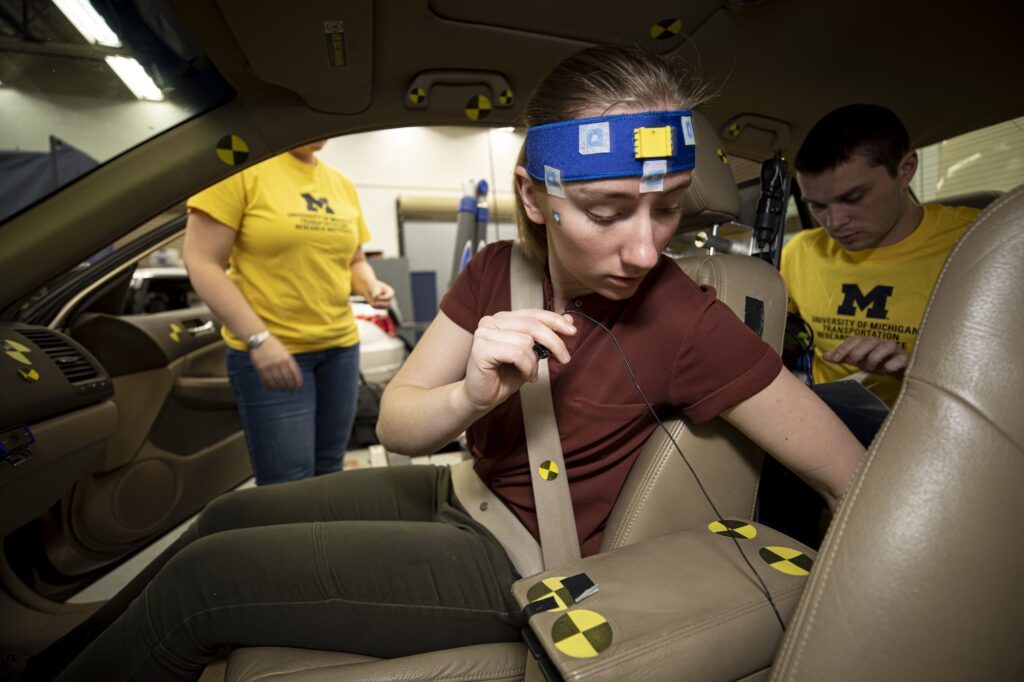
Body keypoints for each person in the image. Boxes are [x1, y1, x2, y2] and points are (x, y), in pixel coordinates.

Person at [26, 45, 863, 682]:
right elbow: (400, 421)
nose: (644, 248)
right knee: (220, 522)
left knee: (205, 581)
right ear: (536, 197)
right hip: (461, 492)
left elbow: (851, 475)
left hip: (529, 555)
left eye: (668, 209)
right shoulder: (499, 269)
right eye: (608, 213)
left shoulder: (689, 316)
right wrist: (469, 394)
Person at [183, 140, 394, 485]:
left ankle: (321, 539)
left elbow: (354, 260)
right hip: (274, 350)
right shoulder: (240, 172)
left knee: (329, 469)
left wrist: (370, 285)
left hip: (340, 348)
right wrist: (259, 340)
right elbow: (202, 263)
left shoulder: (340, 184)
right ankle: (291, 540)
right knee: (287, 482)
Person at [781, 104, 981, 407]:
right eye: (817, 206)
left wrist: (918, 370)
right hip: (825, 422)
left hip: (938, 423)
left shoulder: (982, 240)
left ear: (905, 171)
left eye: (853, 198)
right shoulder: (801, 251)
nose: (834, 222)